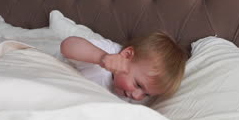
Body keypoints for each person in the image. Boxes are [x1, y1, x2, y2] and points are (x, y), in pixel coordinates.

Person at [60, 32, 188, 103]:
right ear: (126, 55)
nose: (137, 96)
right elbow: (67, 45)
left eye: (147, 95)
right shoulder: (107, 52)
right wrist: (100, 57)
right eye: (138, 85)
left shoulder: (127, 96)